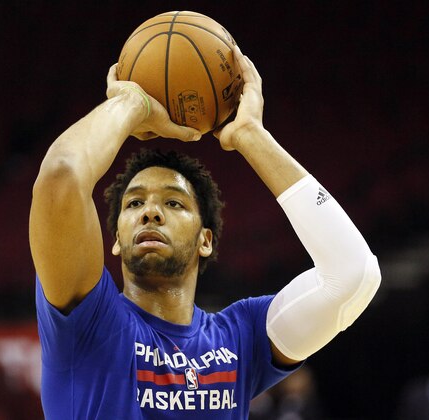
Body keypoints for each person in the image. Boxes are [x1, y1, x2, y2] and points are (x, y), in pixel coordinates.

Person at [29, 46, 382, 419]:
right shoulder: (87, 323)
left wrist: (250, 135)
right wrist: (132, 102)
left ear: (206, 240)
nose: (150, 211)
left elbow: (353, 275)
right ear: (115, 239)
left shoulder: (241, 337)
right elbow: (61, 177)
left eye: (174, 203)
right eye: (133, 204)